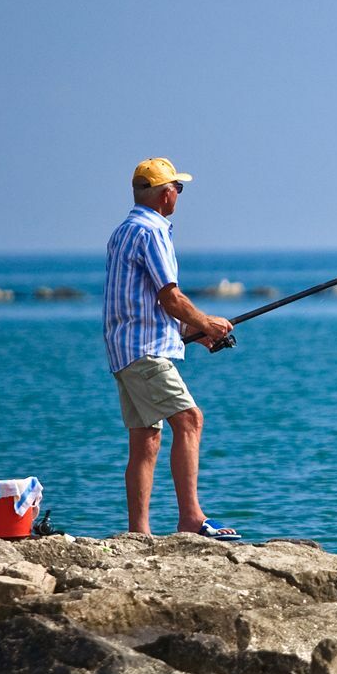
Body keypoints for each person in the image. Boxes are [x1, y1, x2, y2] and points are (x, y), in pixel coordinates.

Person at [103, 157, 239, 539]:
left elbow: (141, 299)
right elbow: (170, 296)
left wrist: (195, 332)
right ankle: (191, 519)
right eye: (178, 188)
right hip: (145, 350)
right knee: (190, 419)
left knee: (146, 437)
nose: (179, 194)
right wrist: (207, 322)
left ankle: (139, 533)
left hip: (124, 349)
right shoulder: (153, 232)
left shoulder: (122, 231)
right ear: (166, 195)